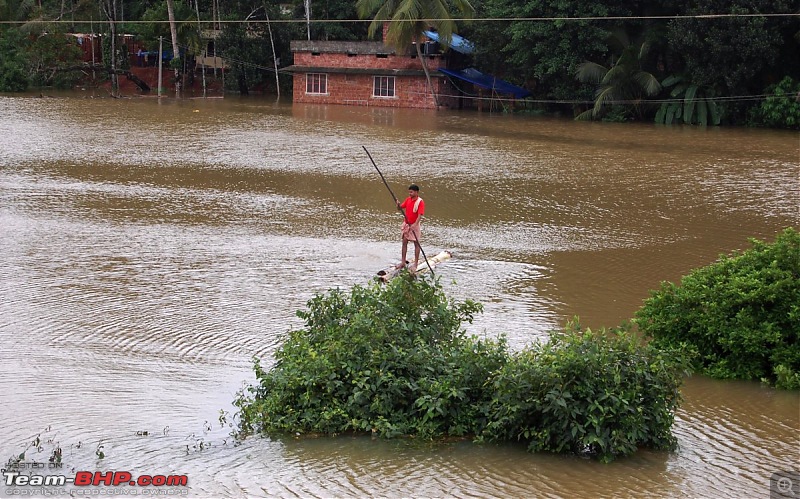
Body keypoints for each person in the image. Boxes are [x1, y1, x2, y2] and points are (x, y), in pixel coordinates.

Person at [395, 184, 425, 271]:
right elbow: (400, 208)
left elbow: (420, 215)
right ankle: (403, 262)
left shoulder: (420, 202)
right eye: (409, 192)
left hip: (414, 225)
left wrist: (415, 225)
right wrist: (398, 205)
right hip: (407, 224)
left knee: (416, 244)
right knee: (404, 242)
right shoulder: (408, 200)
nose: (410, 194)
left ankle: (415, 264)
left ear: (416, 192)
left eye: (411, 192)